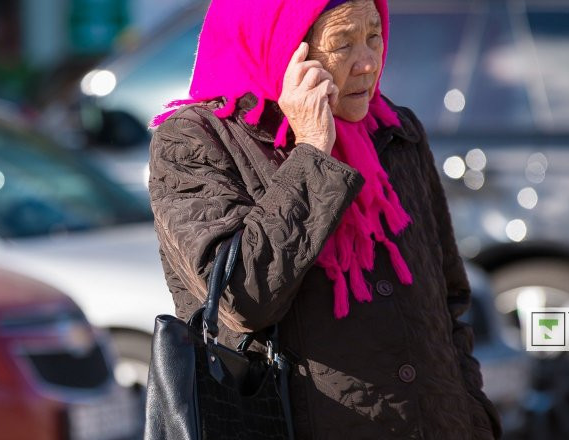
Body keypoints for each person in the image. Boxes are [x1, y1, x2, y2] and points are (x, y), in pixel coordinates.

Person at [147, 0, 503, 438]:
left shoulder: (394, 130)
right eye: (342, 43)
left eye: (373, 35)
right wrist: (313, 150)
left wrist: (472, 414)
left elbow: (448, 298)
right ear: (281, 49)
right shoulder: (194, 142)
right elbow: (240, 302)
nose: (369, 62)